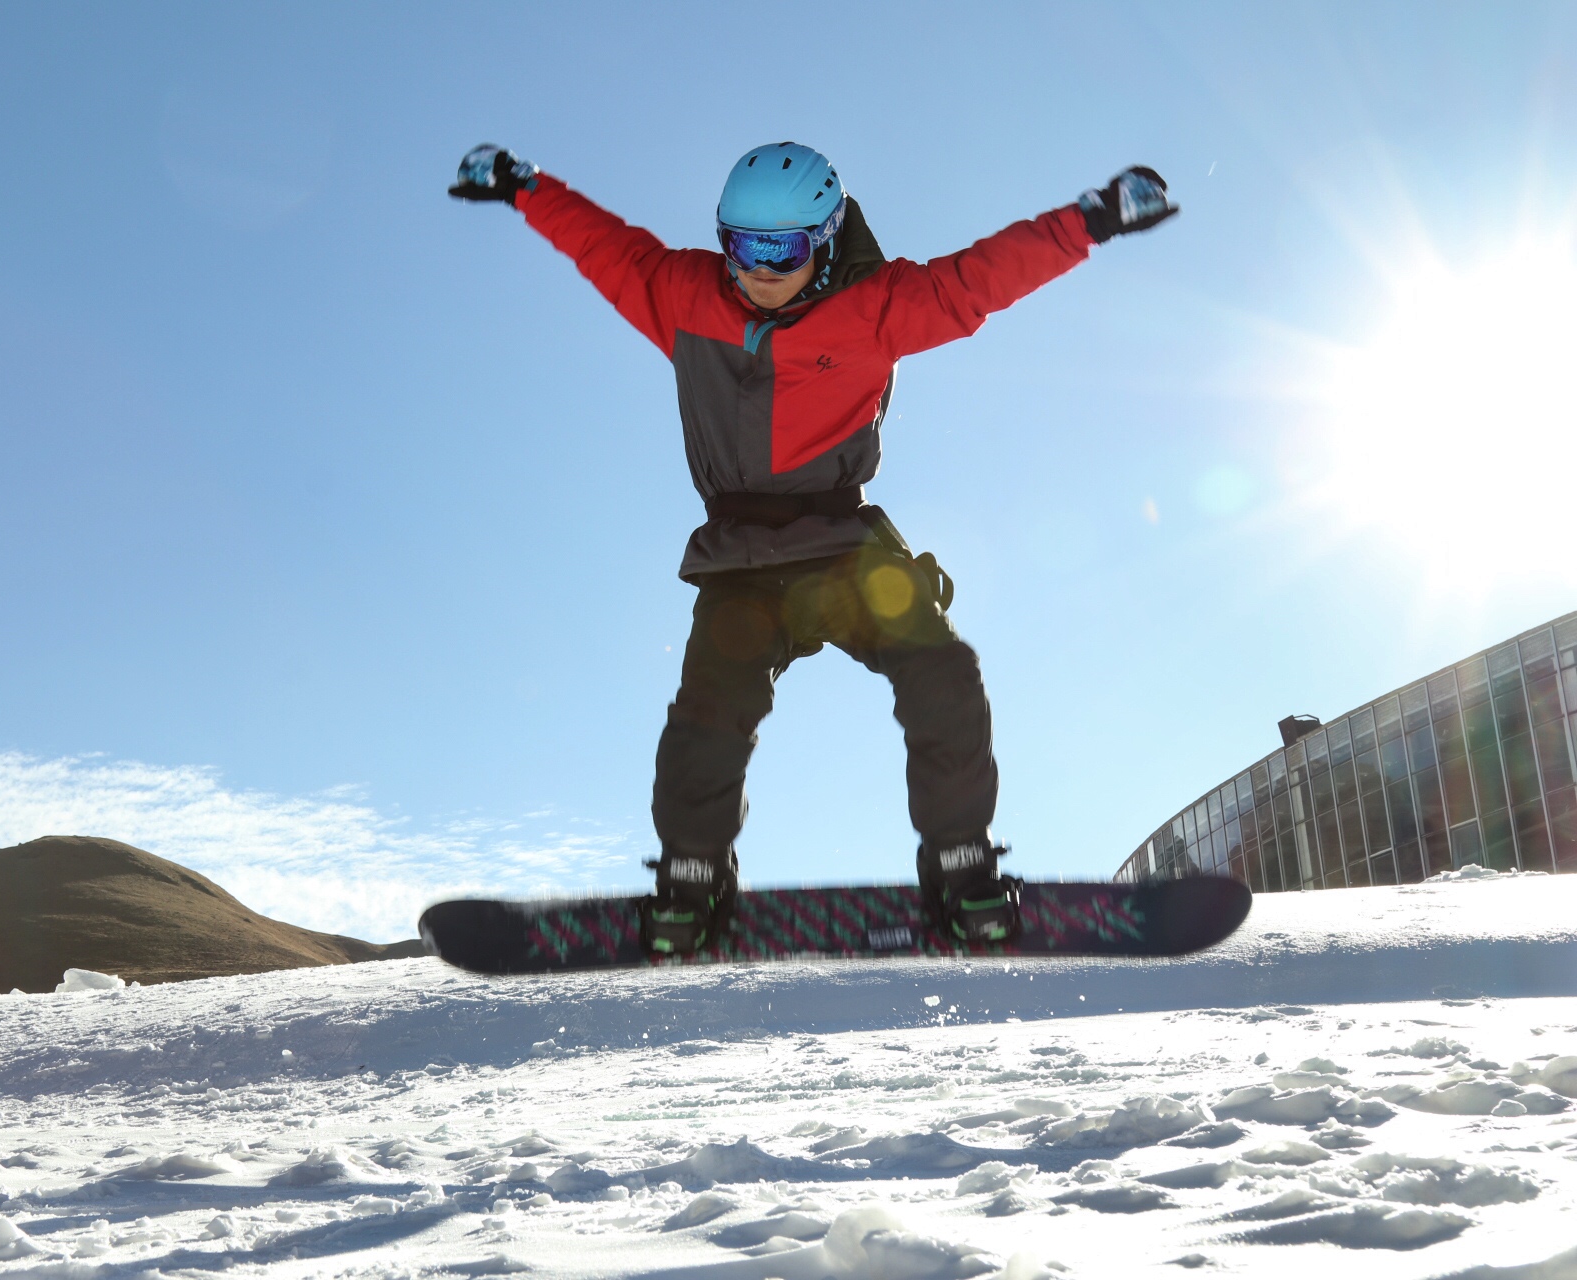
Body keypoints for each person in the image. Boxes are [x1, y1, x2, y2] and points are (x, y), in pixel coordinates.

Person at [450, 141, 1175, 955]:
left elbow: (981, 278)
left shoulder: (878, 304)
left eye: (781, 249)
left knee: (943, 673)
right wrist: (523, 186)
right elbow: (600, 240)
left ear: (824, 239)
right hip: (741, 560)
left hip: (843, 547)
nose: (756, 270)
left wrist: (1095, 218)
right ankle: (692, 876)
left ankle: (960, 865)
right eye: (740, 244)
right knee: (708, 715)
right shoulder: (684, 295)